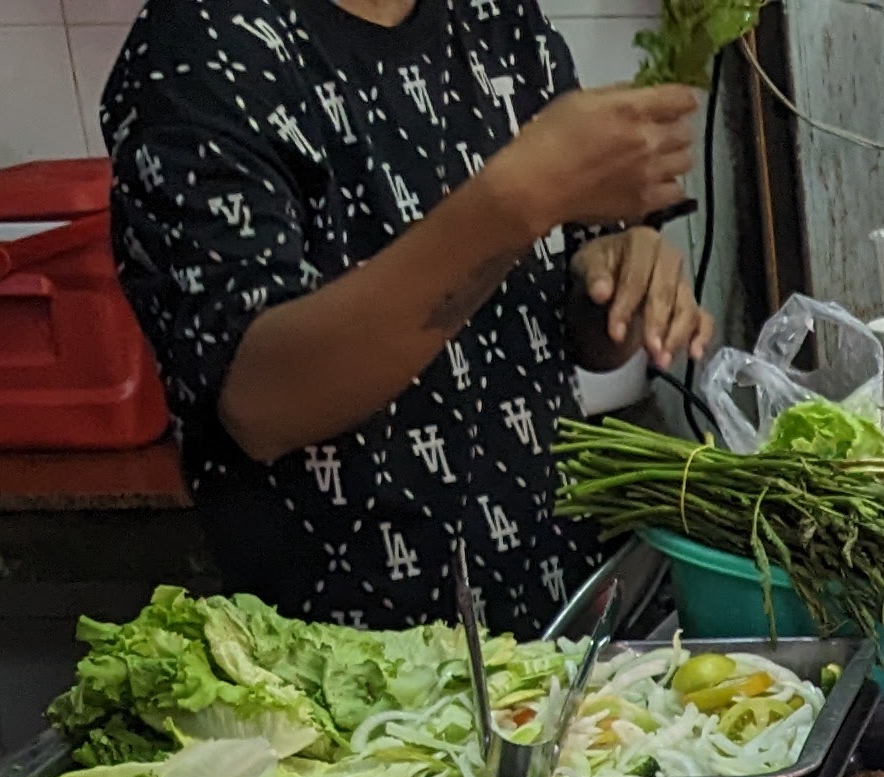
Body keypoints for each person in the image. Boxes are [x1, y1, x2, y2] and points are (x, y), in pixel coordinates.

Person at [100, 0, 721, 630]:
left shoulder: (496, 17)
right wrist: (516, 202)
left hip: (553, 624)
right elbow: (261, 403)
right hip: (347, 657)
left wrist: (620, 283)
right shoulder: (199, 46)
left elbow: (574, 315)